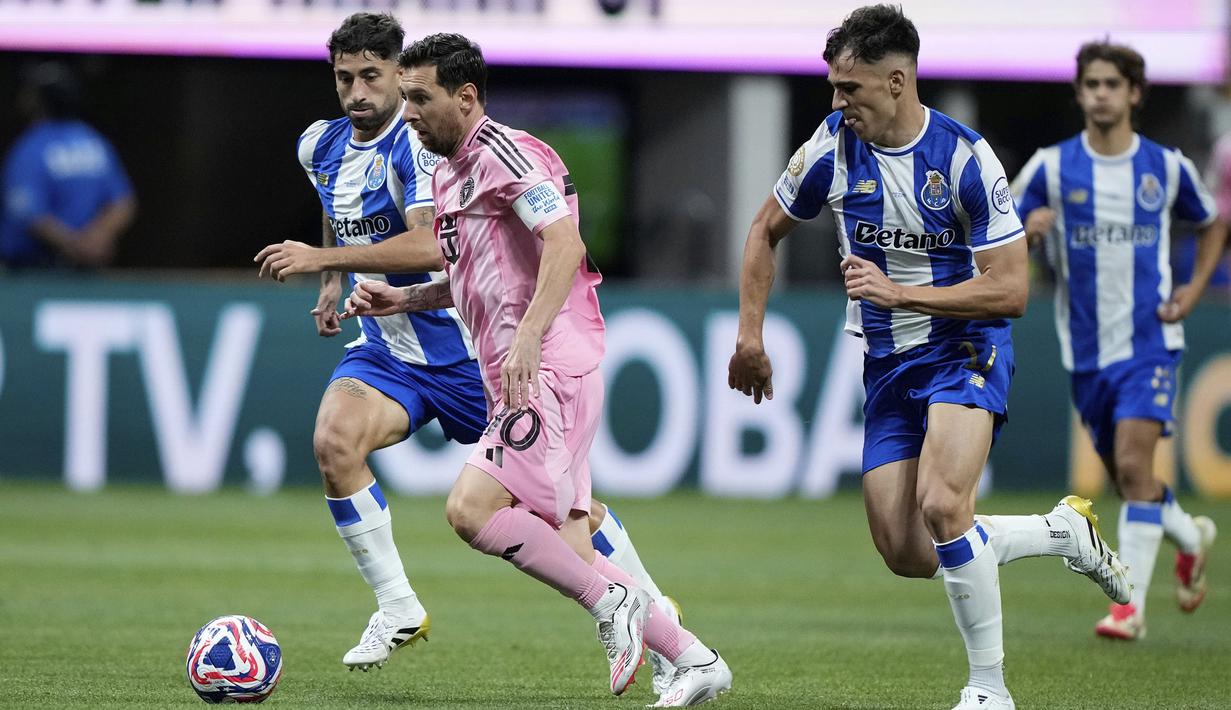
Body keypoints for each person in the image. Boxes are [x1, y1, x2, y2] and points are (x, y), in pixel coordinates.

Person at [255, 13, 683, 683]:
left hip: (469, 355)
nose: (358, 92)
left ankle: (659, 619)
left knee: (557, 513)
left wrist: (322, 258)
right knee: (335, 443)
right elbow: (337, 207)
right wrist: (337, 280)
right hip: (390, 350)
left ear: (402, 78)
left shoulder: (430, 152)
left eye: (374, 77)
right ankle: (398, 605)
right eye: (345, 78)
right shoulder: (320, 146)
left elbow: (435, 247)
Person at [727, 6, 1128, 709]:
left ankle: (987, 689)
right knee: (907, 551)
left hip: (964, 348)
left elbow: (1009, 291)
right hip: (887, 365)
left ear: (895, 80)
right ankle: (1059, 532)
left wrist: (898, 295)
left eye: (848, 87)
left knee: (944, 507)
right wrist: (750, 336)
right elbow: (763, 230)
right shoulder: (829, 148)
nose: (835, 101)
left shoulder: (965, 159)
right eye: (831, 86)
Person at [340, 32, 731, 707]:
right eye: (404, 98)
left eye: (419, 98)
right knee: (568, 539)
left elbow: (563, 241)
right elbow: (476, 276)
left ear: (465, 97)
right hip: (519, 373)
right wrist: (404, 297)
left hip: (549, 366)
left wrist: (528, 335)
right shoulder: (446, 172)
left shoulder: (504, 152)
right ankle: (695, 660)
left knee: (471, 510)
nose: (406, 113)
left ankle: (617, 607)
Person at [1012, 40, 1223, 641]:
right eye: (1092, 84)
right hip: (1085, 354)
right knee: (1136, 482)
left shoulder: (1166, 166)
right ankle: (1191, 537)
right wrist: (1027, 235)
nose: (1101, 93)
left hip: (1151, 340)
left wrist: (1191, 290)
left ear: (1134, 93)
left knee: (1133, 466)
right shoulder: (1051, 168)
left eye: (1113, 84)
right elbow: (996, 236)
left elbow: (1212, 224)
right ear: (1079, 93)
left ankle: (1129, 607)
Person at [0, 61, 136, 270]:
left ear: (39, 100)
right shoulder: (92, 140)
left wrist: (75, 244)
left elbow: (28, 214)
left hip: (35, 272)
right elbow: (123, 204)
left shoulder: (31, 147)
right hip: (85, 264)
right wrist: (96, 238)